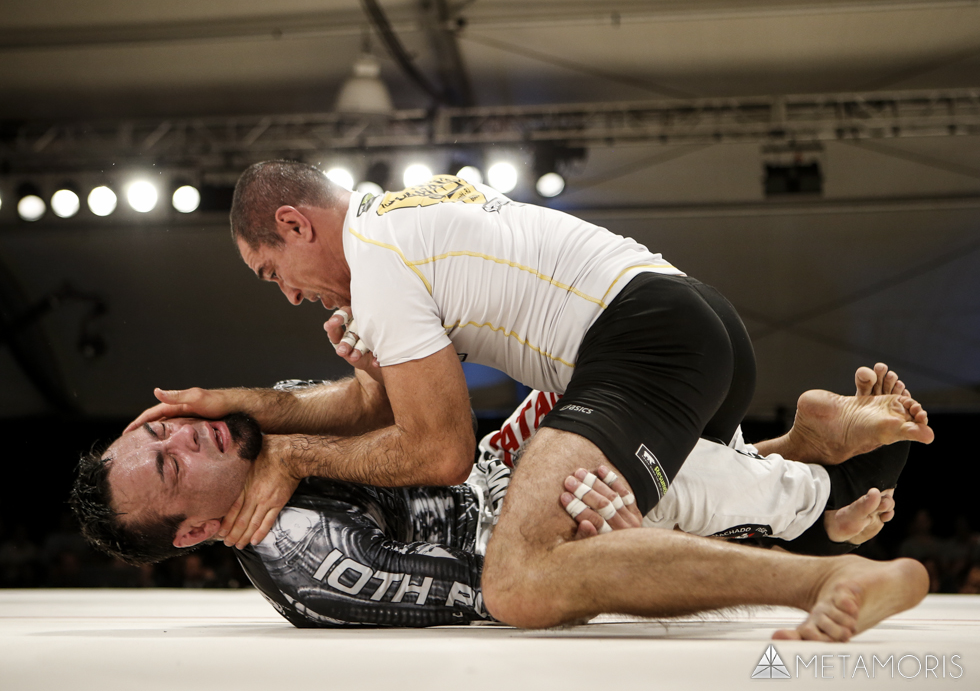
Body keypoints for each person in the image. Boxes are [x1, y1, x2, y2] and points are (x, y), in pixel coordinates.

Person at [136, 161, 934, 639]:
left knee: (518, 579)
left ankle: (825, 576)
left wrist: (295, 451)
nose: (288, 297)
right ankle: (806, 453)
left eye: (274, 273)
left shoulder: (374, 265)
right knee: (626, 503)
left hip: (641, 343)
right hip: (683, 318)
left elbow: (438, 450)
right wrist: (236, 402)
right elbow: (370, 410)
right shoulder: (397, 218)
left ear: (293, 224)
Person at [88, 366, 914, 629]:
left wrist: (365, 351)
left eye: (159, 431)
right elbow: (493, 591)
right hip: (510, 530)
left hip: (492, 465)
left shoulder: (261, 429)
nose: (181, 439)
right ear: (198, 529)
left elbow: (400, 411)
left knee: (577, 394)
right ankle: (814, 492)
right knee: (594, 484)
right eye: (165, 468)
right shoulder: (303, 551)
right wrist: (597, 553)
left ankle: (805, 476)